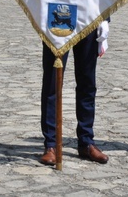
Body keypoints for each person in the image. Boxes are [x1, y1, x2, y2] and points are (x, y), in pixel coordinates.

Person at [38, 21, 110, 166]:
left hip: (89, 17)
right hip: (58, 15)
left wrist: (104, 19)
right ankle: (51, 144)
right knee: (52, 83)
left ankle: (86, 141)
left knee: (87, 83)